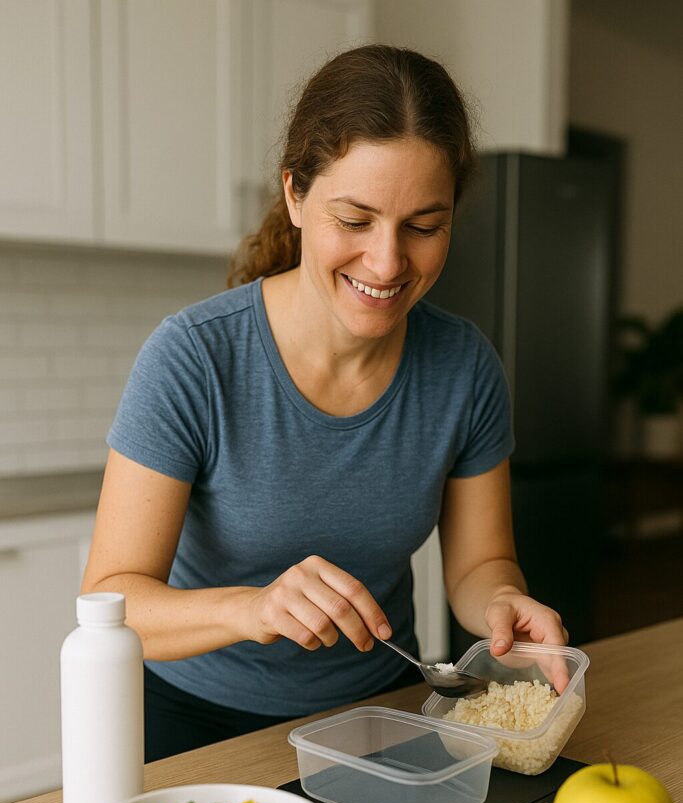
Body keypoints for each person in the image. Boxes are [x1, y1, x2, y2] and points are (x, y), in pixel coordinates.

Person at [82, 44, 569, 762]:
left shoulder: (464, 368)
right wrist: (252, 607)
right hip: (196, 725)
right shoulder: (194, 357)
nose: (387, 262)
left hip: (382, 709)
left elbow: (479, 564)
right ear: (295, 196)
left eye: (423, 226)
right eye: (355, 219)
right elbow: (113, 601)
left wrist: (501, 602)